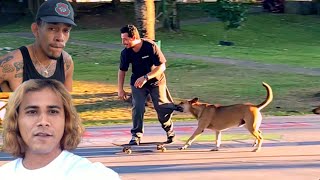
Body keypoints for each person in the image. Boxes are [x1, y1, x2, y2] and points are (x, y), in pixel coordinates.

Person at [0, 79, 120, 179]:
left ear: (66, 120)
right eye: (32, 112)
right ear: (16, 120)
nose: (43, 122)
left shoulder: (92, 175)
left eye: (53, 112)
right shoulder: (5, 174)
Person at [118, 24, 176, 145]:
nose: (123, 42)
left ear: (133, 37)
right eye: (122, 39)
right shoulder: (126, 52)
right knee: (138, 107)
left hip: (156, 81)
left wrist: (146, 77)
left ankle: (168, 128)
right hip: (138, 83)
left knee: (162, 108)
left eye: (125, 39)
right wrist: (120, 89)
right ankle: (136, 135)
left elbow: (162, 66)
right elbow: (122, 70)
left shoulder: (150, 46)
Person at [0, 0, 75, 92]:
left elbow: (68, 103)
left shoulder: (66, 63)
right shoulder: (10, 64)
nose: (60, 38)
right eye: (52, 29)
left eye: (66, 30)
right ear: (36, 29)